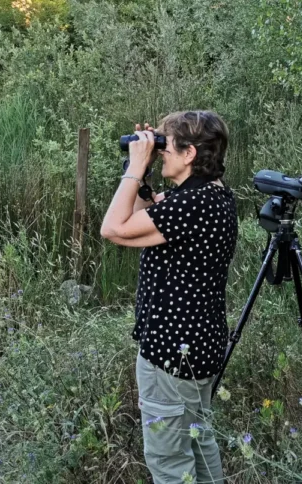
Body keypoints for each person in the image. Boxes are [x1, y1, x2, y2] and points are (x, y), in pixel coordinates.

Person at [100, 110, 237, 483]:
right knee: (199, 441)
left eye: (166, 146)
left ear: (190, 153)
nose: (160, 151)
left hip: (171, 354)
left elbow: (113, 229)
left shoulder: (190, 205)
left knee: (169, 461)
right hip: (198, 346)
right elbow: (140, 220)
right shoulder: (212, 195)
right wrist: (143, 176)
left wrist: (134, 167)